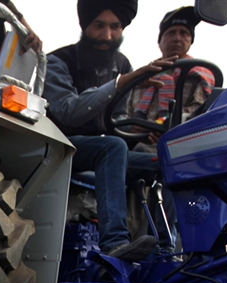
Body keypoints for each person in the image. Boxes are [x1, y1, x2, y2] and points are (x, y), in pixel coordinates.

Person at [43, 0, 177, 261]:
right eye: (99, 26)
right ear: (85, 25)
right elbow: (68, 110)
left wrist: (141, 131)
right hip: (60, 146)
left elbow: (117, 122)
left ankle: (165, 250)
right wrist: (120, 83)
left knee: (168, 162)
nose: (107, 36)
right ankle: (115, 243)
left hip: (103, 150)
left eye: (115, 27)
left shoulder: (121, 63)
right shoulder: (58, 61)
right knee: (112, 148)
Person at [126, 6, 215, 152]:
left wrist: (161, 125)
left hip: (178, 144)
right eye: (171, 32)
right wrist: (133, 127)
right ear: (160, 41)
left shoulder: (199, 74)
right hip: (133, 142)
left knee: (142, 152)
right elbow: (125, 115)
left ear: (190, 41)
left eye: (184, 33)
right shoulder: (141, 77)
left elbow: (199, 112)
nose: (177, 38)